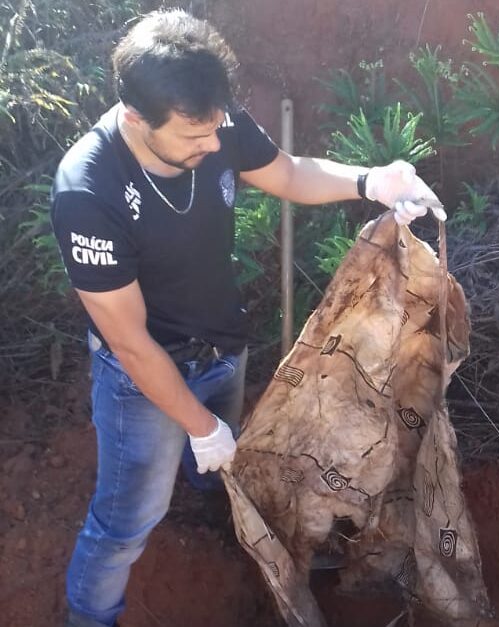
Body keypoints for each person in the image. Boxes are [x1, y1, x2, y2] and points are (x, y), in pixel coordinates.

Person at [51, 9, 445, 627]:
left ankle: (216, 505)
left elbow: (286, 172)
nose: (213, 147)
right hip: (145, 378)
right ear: (135, 119)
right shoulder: (89, 191)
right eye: (193, 138)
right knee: (128, 520)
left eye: (215, 131)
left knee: (222, 461)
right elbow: (128, 341)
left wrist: (373, 181)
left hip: (220, 346)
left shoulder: (212, 120)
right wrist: (199, 425)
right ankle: (89, 616)